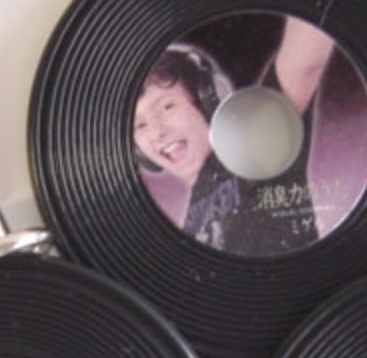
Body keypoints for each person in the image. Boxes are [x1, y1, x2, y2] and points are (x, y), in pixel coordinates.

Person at [132, 16, 334, 253]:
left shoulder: (251, 140)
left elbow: (305, 63)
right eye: (140, 125)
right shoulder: (190, 224)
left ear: (207, 101)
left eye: (167, 108)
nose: (157, 132)